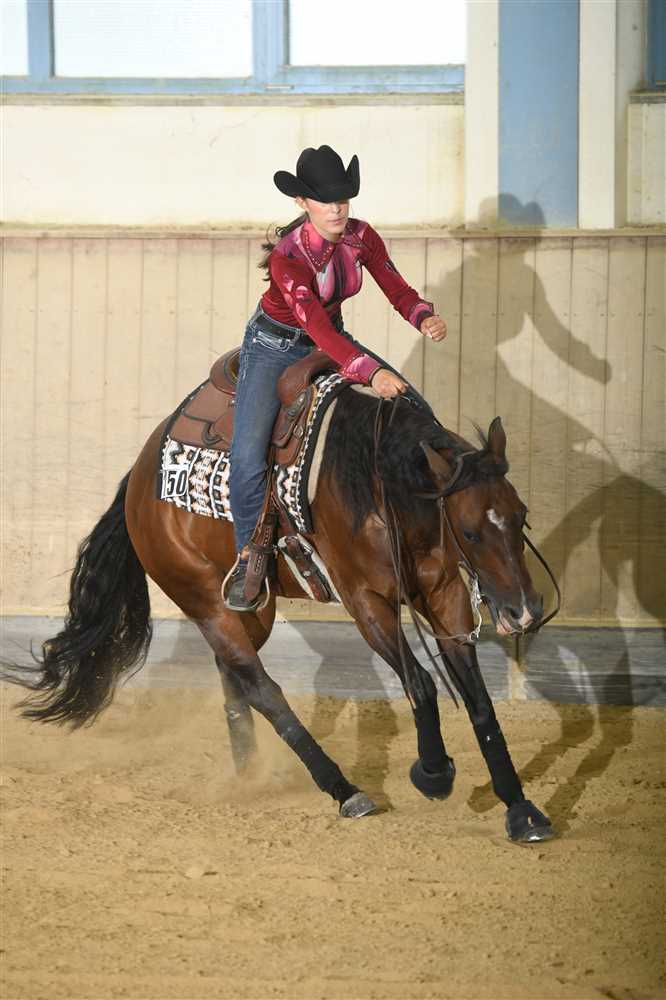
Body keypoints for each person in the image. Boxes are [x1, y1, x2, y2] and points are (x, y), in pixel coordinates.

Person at [226, 144, 447, 611]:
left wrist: (422, 315)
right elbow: (317, 328)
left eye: (342, 199)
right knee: (246, 455)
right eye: (325, 201)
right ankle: (249, 555)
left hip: (331, 337)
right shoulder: (288, 256)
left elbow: (396, 287)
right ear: (302, 202)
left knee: (416, 410)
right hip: (275, 347)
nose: (336, 209)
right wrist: (371, 371)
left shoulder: (362, 236)